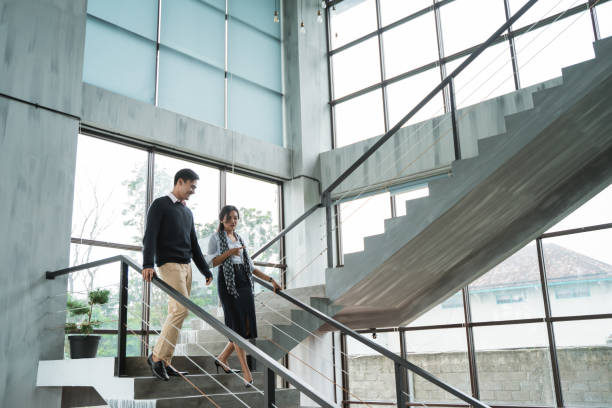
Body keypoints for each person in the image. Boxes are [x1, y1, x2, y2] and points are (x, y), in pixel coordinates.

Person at [142, 168, 213, 381]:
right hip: (169, 264)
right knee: (181, 309)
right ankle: (156, 357)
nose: (193, 191)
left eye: (195, 187)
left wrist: (204, 269)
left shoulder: (187, 212)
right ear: (179, 182)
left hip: (187, 267)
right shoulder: (160, 204)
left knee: (178, 312)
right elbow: (150, 235)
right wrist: (147, 263)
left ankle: (165, 360)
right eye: (191, 186)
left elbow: (194, 244)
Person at [207, 205, 281, 386]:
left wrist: (270, 279)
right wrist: (230, 252)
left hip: (244, 283)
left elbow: (251, 266)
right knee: (237, 329)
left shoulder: (240, 238)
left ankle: (222, 358)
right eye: (230, 218)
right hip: (227, 283)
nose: (234, 221)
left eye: (236, 218)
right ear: (222, 219)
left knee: (246, 328)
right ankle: (247, 373)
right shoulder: (215, 238)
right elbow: (211, 262)